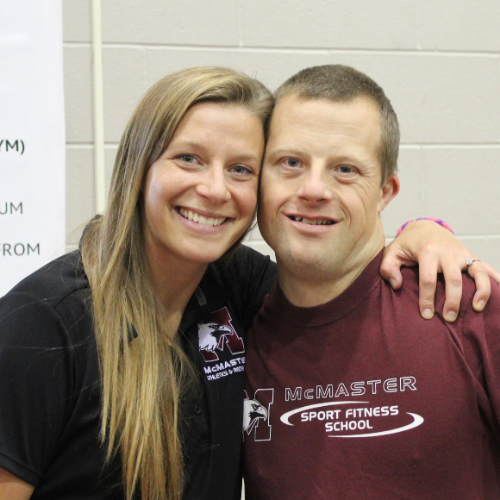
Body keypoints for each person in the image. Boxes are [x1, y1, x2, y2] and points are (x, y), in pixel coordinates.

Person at [0, 66, 495, 500]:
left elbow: (337, 271)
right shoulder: (43, 324)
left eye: (239, 168)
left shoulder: (241, 292)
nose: (214, 189)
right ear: (138, 165)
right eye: (188, 158)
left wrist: (426, 228)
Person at [243, 64, 500, 499]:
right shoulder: (236, 329)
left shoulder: (466, 304)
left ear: (385, 191)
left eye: (345, 169)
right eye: (290, 162)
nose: (314, 188)